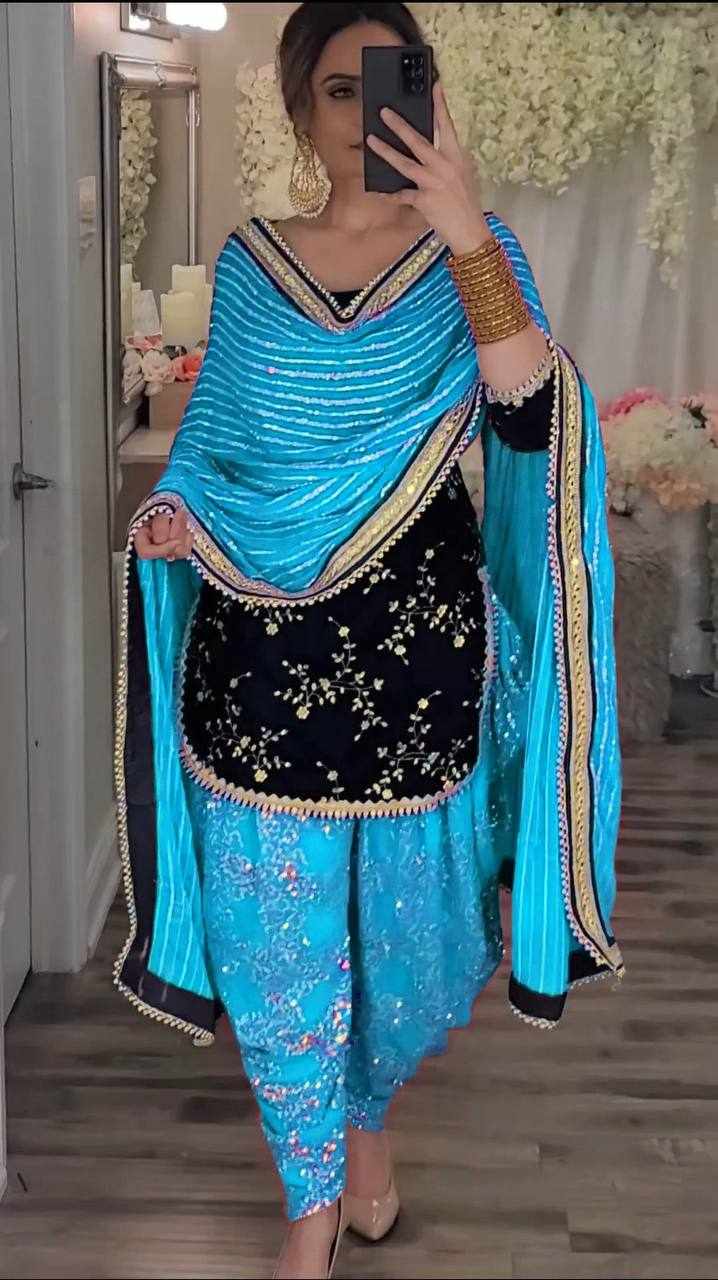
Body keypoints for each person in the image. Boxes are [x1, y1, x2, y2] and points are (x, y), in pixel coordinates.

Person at [113, 4, 624, 1277]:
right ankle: (311, 1200)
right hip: (261, 657)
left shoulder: (473, 251)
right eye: (339, 91)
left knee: (407, 944)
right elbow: (216, 440)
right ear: (300, 108)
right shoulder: (253, 261)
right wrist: (179, 507)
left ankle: (364, 1121)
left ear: (428, 96)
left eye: (391, 83)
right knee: (271, 935)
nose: (366, 114)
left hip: (416, 658)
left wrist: (466, 232)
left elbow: (528, 417)